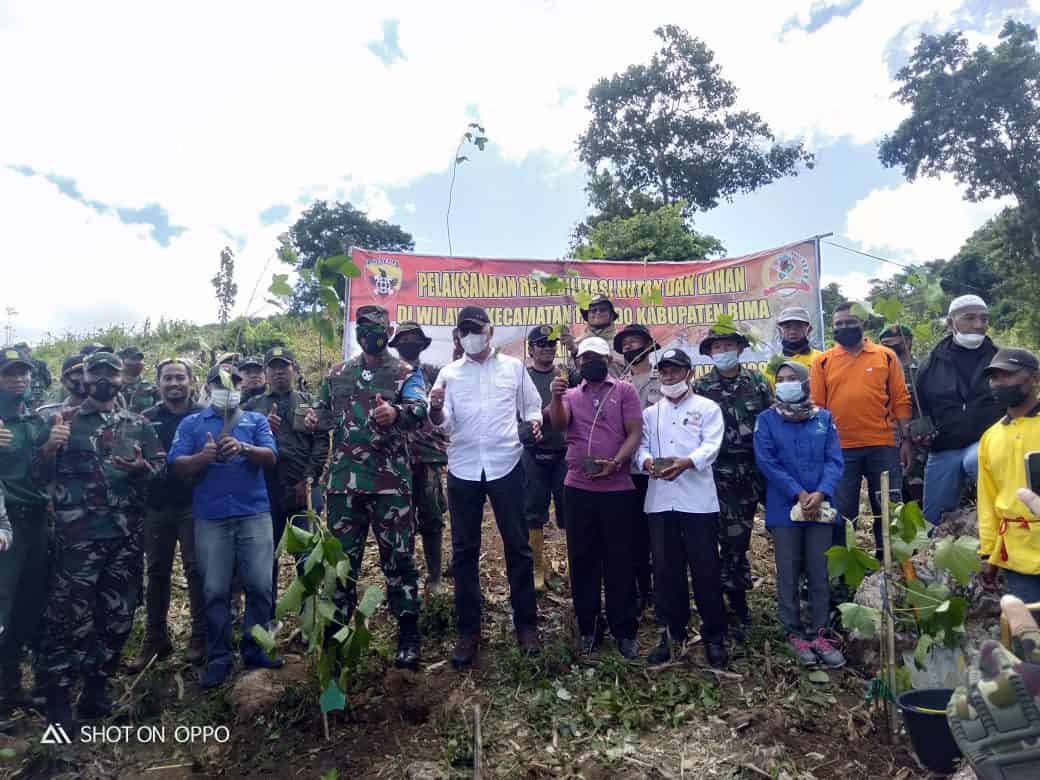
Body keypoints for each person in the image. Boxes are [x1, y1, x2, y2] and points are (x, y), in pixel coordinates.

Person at [35, 352, 164, 728]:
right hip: (78, 540)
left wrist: (142, 468)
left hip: (125, 538)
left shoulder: (139, 424)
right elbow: (33, 473)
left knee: (117, 618)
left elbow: (161, 472)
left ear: (122, 378)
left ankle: (96, 691)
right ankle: (57, 697)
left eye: (111, 372)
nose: (104, 379)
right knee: (68, 620)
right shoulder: (59, 420)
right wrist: (48, 448)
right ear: (84, 378)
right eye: (96, 372)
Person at [306, 305, 427, 671]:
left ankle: (408, 634)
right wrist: (310, 418)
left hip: (389, 484)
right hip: (344, 485)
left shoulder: (405, 372)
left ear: (388, 331)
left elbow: (420, 408)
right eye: (363, 328)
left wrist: (397, 413)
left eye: (377, 329)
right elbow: (320, 414)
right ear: (357, 332)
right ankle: (336, 634)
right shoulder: (337, 373)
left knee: (399, 560)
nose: (369, 335)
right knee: (341, 563)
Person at [430, 305, 543, 668]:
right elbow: (443, 425)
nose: (471, 336)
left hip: (506, 465)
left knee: (518, 546)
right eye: (464, 331)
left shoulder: (513, 369)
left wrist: (535, 425)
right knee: (463, 551)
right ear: (458, 336)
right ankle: (468, 631)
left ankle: (526, 625)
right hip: (463, 468)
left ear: (490, 331)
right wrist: (434, 412)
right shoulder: (449, 374)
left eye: (477, 329)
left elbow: (533, 408)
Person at [168, 365, 280, 688]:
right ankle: (219, 656)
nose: (227, 387)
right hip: (211, 517)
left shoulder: (255, 420)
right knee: (215, 590)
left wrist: (244, 448)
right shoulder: (192, 424)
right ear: (209, 386)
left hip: (254, 513)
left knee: (260, 585)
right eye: (219, 382)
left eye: (233, 382)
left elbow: (271, 456)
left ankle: (255, 647)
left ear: (242, 386)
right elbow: (175, 465)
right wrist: (203, 457)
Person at [549, 337, 642, 657]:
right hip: (578, 488)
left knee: (620, 559)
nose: (590, 362)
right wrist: (555, 398)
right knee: (582, 558)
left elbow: (634, 433)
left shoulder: (625, 391)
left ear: (608, 360)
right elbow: (559, 424)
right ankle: (588, 626)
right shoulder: (571, 395)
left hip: (617, 488)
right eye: (584, 358)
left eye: (596, 357)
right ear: (578, 364)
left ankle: (624, 629)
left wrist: (616, 463)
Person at [636, 348, 728, 667]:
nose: (669, 376)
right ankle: (672, 633)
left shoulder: (707, 408)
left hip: (698, 502)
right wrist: (647, 462)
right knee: (666, 571)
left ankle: (714, 636)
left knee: (705, 570)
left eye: (676, 370)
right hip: (661, 502)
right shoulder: (650, 413)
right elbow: (641, 448)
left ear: (689, 373)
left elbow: (712, 445)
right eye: (664, 371)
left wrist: (688, 462)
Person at [753, 361, 845, 668]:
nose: (786, 383)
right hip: (785, 507)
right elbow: (767, 461)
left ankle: (819, 633)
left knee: (819, 572)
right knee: (789, 572)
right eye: (781, 379)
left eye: (793, 378)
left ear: (805, 383)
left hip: (820, 507)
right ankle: (793, 633)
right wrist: (798, 492)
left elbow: (834, 460)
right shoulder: (766, 420)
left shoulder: (823, 418)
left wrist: (820, 492)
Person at [810, 302, 912, 556]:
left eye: (850, 322)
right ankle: (843, 577)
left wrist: (907, 441)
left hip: (884, 446)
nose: (844, 327)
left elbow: (900, 399)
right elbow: (818, 409)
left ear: (863, 324)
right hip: (840, 450)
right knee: (843, 515)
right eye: (839, 324)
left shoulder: (886, 356)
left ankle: (890, 567)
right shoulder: (823, 362)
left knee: (888, 509)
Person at [128, 359, 207, 671]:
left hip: (193, 504)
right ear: (158, 383)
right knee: (157, 572)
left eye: (180, 378)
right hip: (157, 506)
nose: (174, 384)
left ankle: (200, 636)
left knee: (195, 570)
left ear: (191, 381)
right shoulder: (145, 419)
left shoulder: (203, 417)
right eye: (168, 378)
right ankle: (155, 640)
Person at [694, 326, 773, 632]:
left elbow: (771, 424)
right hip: (713, 474)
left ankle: (737, 599)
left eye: (728, 345)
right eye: (717, 347)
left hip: (750, 473)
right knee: (711, 538)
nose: (723, 351)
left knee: (738, 539)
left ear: (739, 349)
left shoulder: (757, 383)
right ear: (710, 353)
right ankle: (716, 600)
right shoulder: (701, 387)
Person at [244, 347, 328, 613]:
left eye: (284, 366)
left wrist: (310, 477)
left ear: (294, 369)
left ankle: (308, 615)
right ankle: (266, 615)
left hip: (301, 490)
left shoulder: (306, 403)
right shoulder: (253, 407)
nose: (279, 371)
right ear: (267, 373)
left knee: (306, 557)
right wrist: (261, 431)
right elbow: (240, 446)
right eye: (273, 367)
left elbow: (320, 441)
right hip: (264, 494)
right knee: (266, 558)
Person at [916, 295, 1002, 525]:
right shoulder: (931, 362)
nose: (978, 324)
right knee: (933, 518)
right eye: (970, 318)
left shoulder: (1000, 359)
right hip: (944, 446)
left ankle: (996, 529)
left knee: (975, 461)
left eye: (984, 319)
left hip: (986, 442)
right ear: (951, 322)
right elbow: (919, 404)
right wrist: (921, 427)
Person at [0, 346, 51, 712]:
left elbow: (44, 473)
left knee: (29, 604)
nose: (18, 378)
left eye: (23, 372)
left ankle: (12, 686)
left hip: (36, 521)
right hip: (5, 526)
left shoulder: (36, 421)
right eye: (8, 372)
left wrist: (51, 449)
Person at [389, 323, 450, 594]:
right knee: (398, 520)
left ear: (423, 345)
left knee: (431, 517)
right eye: (404, 339)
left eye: (415, 339)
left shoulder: (434, 375)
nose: (410, 342)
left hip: (427, 456)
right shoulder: (387, 375)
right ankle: (403, 580)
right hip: (392, 457)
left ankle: (434, 578)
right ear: (396, 344)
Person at [977, 348, 1040, 602]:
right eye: (995, 377)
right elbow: (988, 500)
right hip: (1017, 555)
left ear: (1035, 378)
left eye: (1008, 375)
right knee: (1026, 634)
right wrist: (988, 553)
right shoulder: (990, 437)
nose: (999, 383)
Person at [522, 325, 577, 592]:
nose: (547, 348)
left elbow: (595, 377)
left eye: (551, 344)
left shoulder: (565, 375)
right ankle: (537, 567)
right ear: (531, 349)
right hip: (532, 454)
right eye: (541, 344)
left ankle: (574, 564)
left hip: (563, 452)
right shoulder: (522, 377)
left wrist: (573, 346)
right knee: (533, 511)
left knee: (570, 510)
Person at [614, 323, 660, 614]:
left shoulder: (664, 377)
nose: (631, 346)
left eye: (636, 341)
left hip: (660, 469)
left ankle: (663, 589)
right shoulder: (617, 384)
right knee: (634, 535)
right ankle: (642, 590)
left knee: (661, 534)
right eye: (626, 343)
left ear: (648, 345)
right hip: (628, 470)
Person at [877, 324, 927, 505]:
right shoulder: (880, 372)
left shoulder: (922, 370)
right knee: (894, 497)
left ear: (908, 342)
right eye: (884, 344)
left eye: (894, 344)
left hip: (919, 442)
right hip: (889, 440)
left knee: (920, 494)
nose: (888, 349)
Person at [766, 307, 823, 383]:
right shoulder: (773, 363)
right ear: (780, 331)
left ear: (809, 330)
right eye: (787, 327)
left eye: (798, 327)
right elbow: (771, 391)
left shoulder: (821, 359)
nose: (792, 331)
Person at [573, 295, 626, 376]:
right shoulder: (576, 344)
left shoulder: (622, 342)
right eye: (593, 311)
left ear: (611, 315)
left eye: (603, 310)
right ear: (587, 316)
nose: (598, 312)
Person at [118, 345, 161, 413]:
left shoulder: (149, 386)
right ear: (122, 362)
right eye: (133, 359)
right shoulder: (115, 386)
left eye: (140, 359)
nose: (138, 362)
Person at [14, 342, 52, 412]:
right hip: (28, 400)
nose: (23, 353)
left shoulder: (41, 364)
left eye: (25, 352)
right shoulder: (12, 366)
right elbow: (48, 381)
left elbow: (48, 381)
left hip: (37, 398)